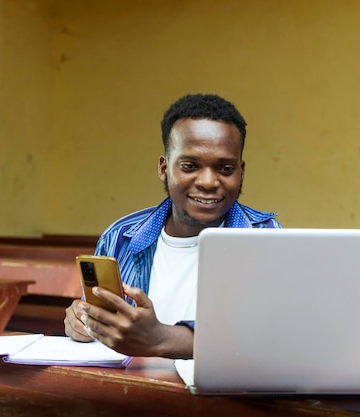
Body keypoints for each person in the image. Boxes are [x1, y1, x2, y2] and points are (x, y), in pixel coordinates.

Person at [64, 93, 282, 359]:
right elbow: (96, 317)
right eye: (190, 166)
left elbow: (271, 336)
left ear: (241, 171)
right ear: (164, 168)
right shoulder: (120, 236)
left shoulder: (267, 238)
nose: (208, 182)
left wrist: (160, 339)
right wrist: (81, 321)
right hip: (127, 393)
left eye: (225, 169)